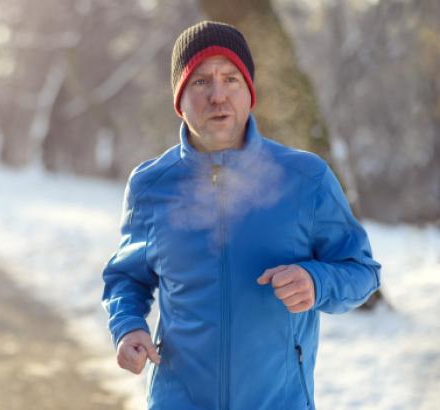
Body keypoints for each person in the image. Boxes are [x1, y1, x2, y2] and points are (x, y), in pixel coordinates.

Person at [101, 20, 381, 410]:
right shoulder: (151, 186)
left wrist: (317, 281)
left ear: (250, 91)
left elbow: (362, 270)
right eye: (200, 82)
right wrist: (128, 326)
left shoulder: (305, 179)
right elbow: (126, 278)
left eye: (231, 79)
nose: (218, 96)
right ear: (179, 100)